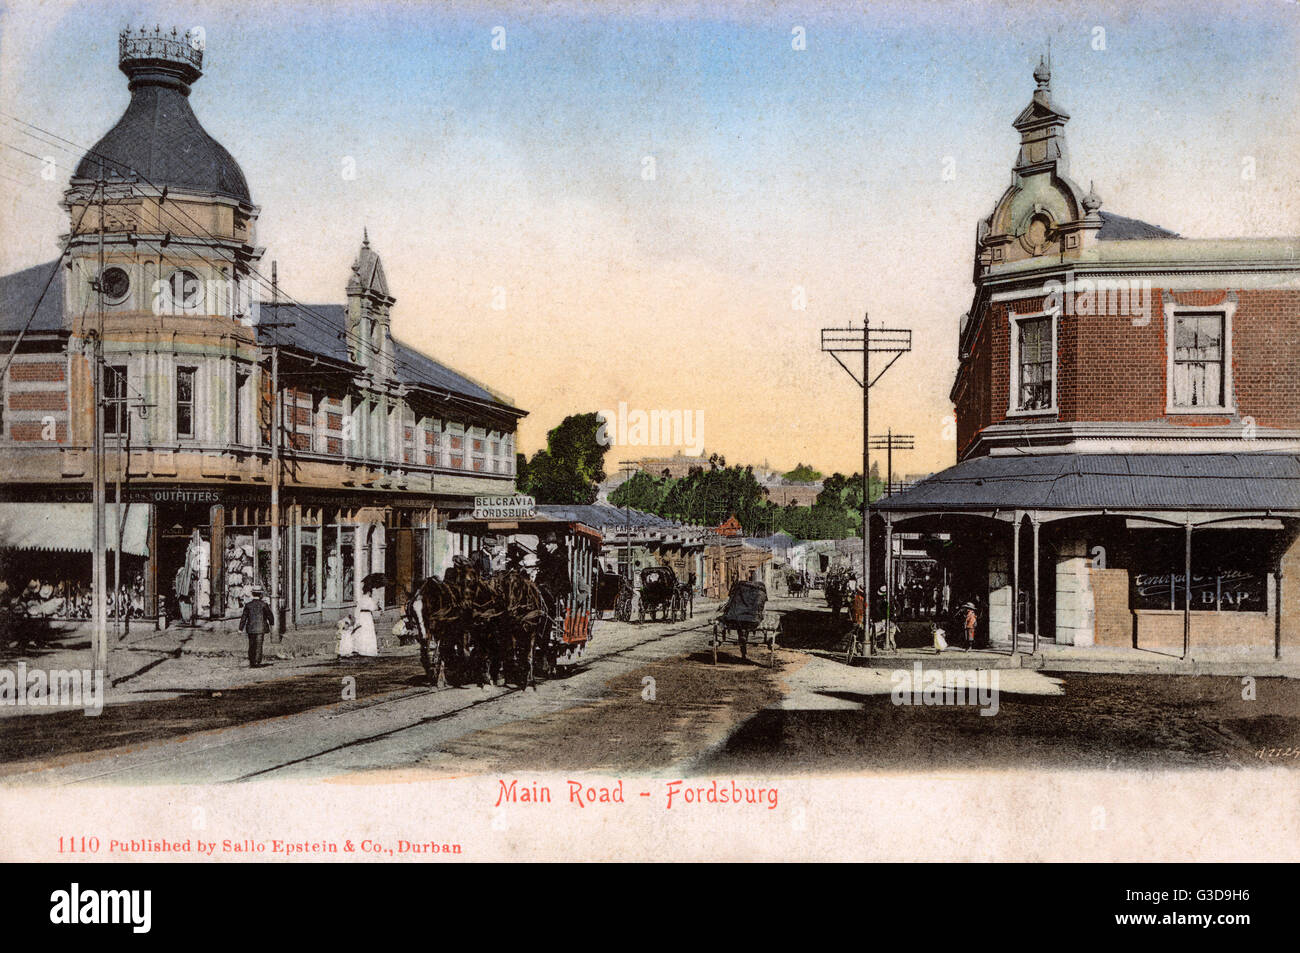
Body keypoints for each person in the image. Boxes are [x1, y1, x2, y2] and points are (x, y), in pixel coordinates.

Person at [240, 587, 275, 668]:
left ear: (252, 594)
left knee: (251, 645)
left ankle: (252, 662)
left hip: (251, 628)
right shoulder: (264, 605)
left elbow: (243, 618)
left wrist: (240, 629)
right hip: (261, 628)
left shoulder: (248, 605)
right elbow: (270, 615)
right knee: (259, 645)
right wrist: (272, 623)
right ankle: (257, 662)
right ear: (261, 595)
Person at [353, 582, 380, 657]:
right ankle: (368, 650)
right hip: (367, 616)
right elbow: (373, 608)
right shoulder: (369, 599)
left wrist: (357, 619)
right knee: (368, 632)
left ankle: (360, 648)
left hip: (361, 616)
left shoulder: (361, 599)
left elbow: (357, 609)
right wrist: (377, 604)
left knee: (361, 632)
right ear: (369, 592)